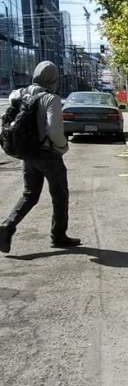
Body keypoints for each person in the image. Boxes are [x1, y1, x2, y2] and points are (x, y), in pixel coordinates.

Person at [0, 61, 80, 253]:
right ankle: (58, 236)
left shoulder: (19, 94)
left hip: (28, 153)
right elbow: (54, 130)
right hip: (48, 155)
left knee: (29, 194)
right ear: (53, 79)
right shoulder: (51, 99)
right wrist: (63, 147)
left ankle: (7, 225)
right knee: (60, 195)